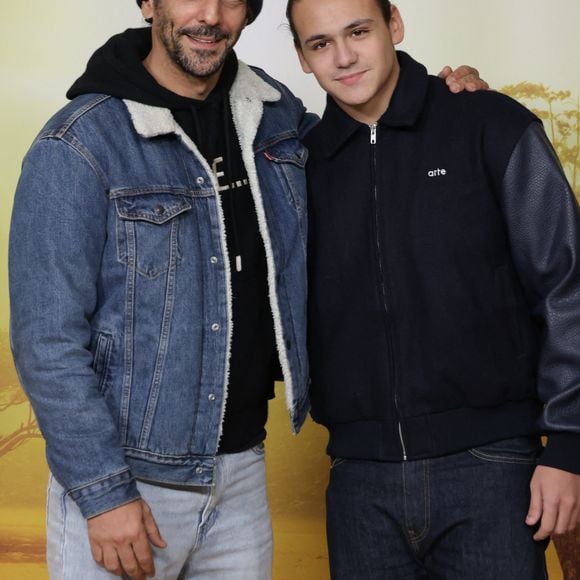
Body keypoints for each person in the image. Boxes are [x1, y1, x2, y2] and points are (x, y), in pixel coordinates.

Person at [9, 1, 484, 578]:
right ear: (148, 3)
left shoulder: (277, 114)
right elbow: (46, 338)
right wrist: (103, 491)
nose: (210, 14)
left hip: (242, 477)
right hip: (129, 482)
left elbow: (372, 157)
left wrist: (444, 104)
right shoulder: (79, 142)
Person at [286, 0, 580, 578]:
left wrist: (569, 446)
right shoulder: (301, 165)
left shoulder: (490, 123)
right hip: (358, 480)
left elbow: (566, 285)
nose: (343, 57)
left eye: (359, 31)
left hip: (492, 468)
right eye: (320, 43)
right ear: (301, 57)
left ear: (394, 25)